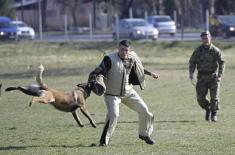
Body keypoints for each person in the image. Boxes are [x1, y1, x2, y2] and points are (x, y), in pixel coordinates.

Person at [88, 40, 159, 146]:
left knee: (145, 111)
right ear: (118, 48)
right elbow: (99, 71)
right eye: (122, 49)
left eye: (126, 50)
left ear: (129, 50)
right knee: (113, 115)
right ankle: (104, 141)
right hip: (112, 94)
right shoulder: (109, 59)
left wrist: (150, 73)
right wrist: (97, 80)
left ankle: (144, 134)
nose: (124, 52)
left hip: (128, 92)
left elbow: (139, 68)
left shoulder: (132, 58)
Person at [189, 31, 225, 122]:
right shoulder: (198, 50)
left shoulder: (215, 50)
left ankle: (214, 114)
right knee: (200, 98)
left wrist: (220, 75)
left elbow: (222, 62)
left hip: (213, 77)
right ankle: (208, 108)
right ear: (201, 39)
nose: (205, 40)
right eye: (203, 38)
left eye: (207, 38)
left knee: (214, 98)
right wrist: (191, 73)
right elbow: (192, 62)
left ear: (210, 38)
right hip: (201, 77)